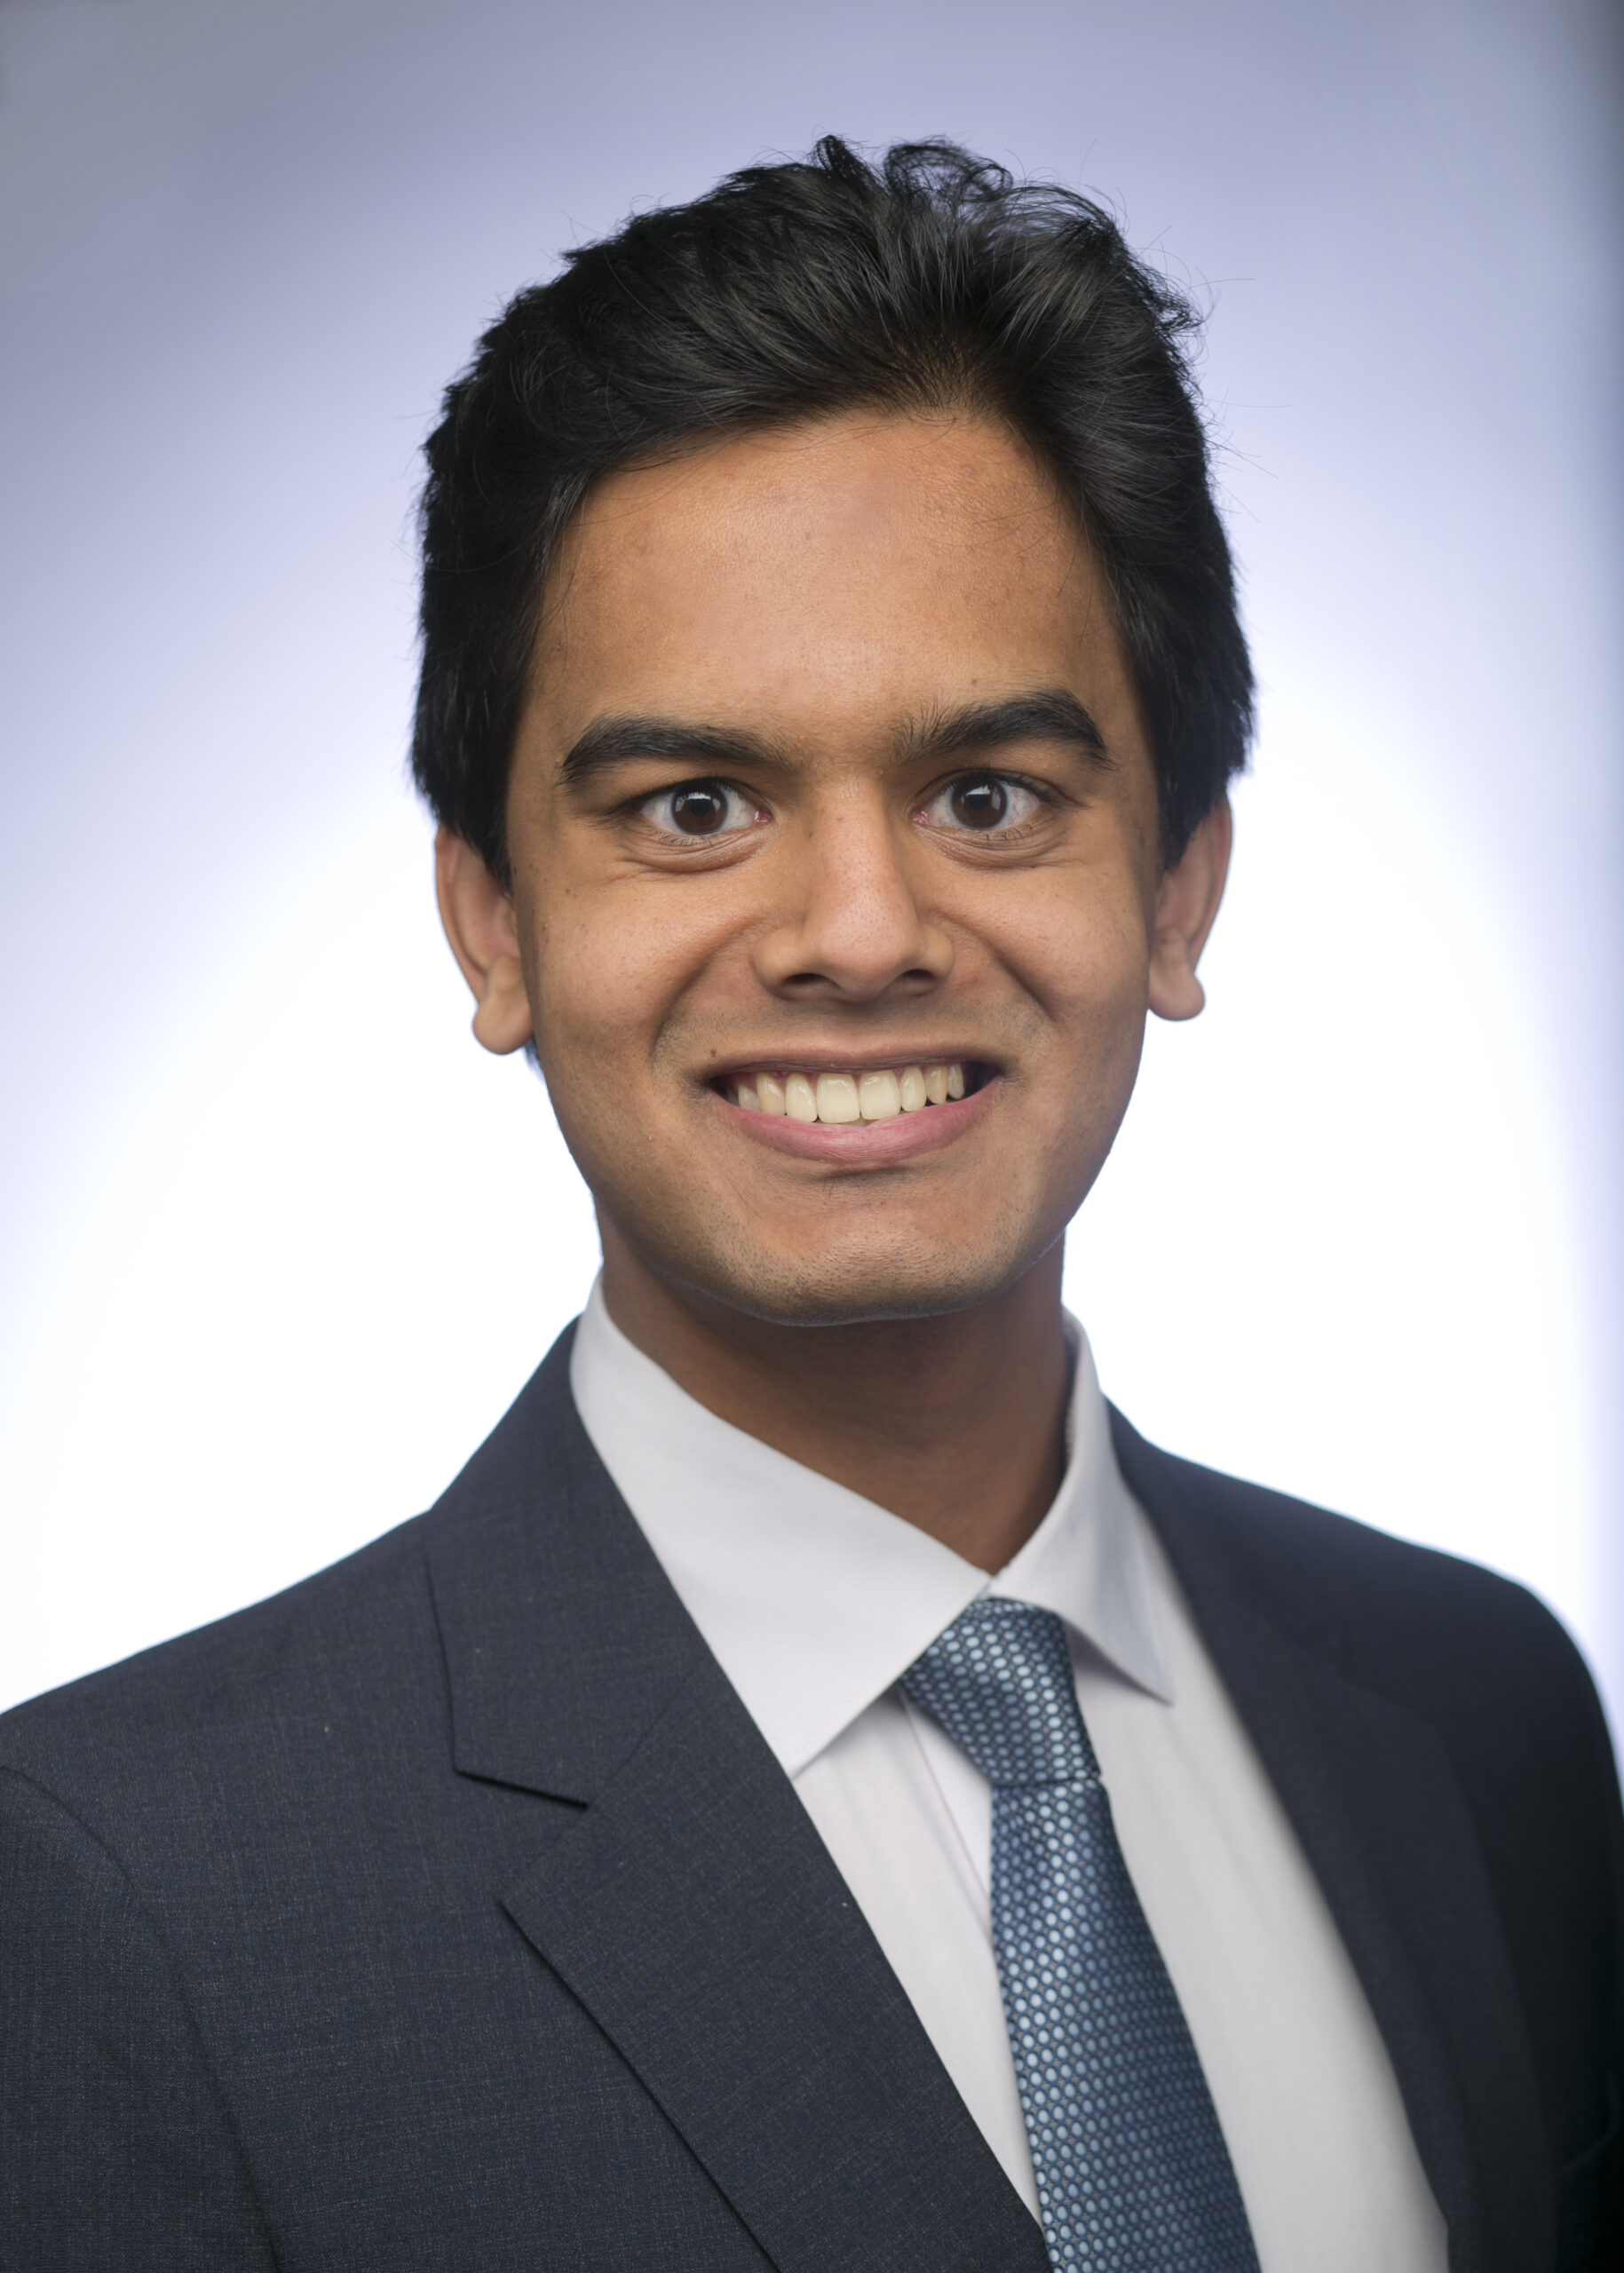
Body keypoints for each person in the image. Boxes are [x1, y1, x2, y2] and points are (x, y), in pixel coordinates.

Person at [1, 138, 1618, 2273]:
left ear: (1181, 885)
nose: (860, 930)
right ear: (490, 927)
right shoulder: (123, 1897)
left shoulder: (1481, 1708)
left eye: (986, 795)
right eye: (694, 805)